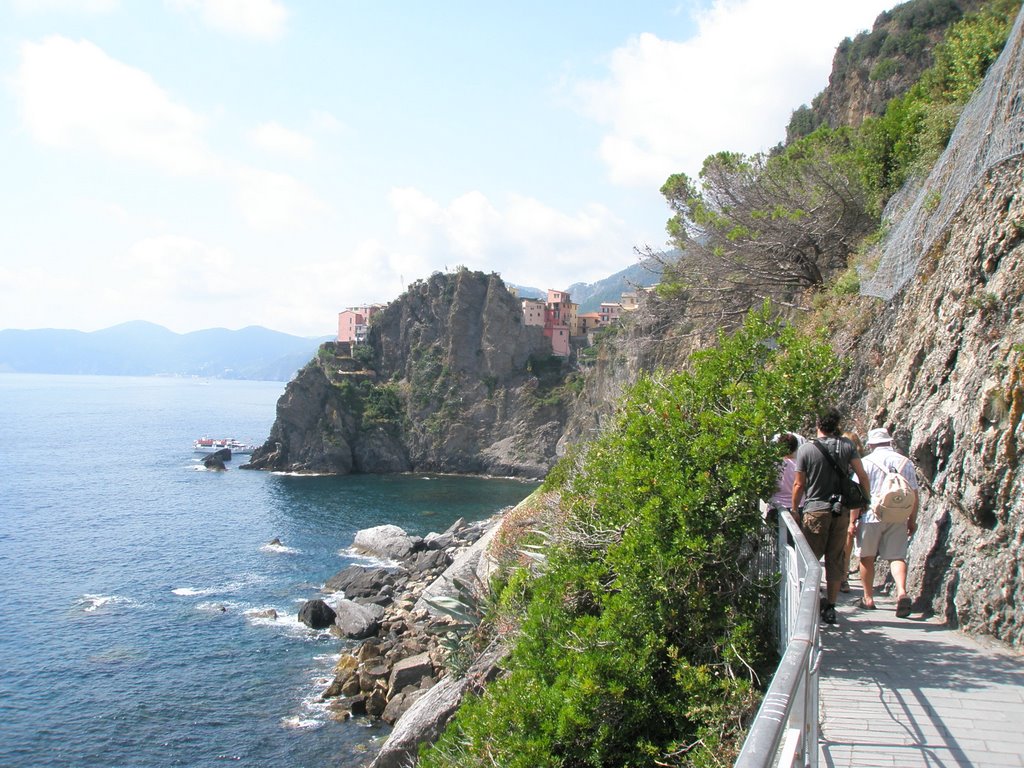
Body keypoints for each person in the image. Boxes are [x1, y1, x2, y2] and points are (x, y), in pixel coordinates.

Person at [791, 407, 871, 625]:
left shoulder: (806, 450)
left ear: (818, 424)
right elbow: (862, 475)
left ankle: (810, 604)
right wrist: (866, 499)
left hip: (815, 510)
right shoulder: (847, 446)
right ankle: (831, 607)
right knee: (835, 559)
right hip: (841, 510)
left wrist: (795, 509)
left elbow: (799, 484)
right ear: (836, 424)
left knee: (810, 561)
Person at [856, 427, 919, 617]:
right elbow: (913, 495)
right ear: (889, 442)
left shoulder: (865, 462)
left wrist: (852, 521)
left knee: (866, 557)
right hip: (897, 516)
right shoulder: (905, 463)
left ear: (870, 444)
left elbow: (857, 493)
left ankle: (868, 598)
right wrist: (912, 520)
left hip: (871, 515)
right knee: (897, 556)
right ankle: (901, 592)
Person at [840, 431, 866, 593]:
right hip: (856, 506)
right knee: (847, 544)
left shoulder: (841, 462)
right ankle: (844, 576)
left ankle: (841, 577)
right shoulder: (860, 462)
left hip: (841, 505)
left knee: (839, 543)